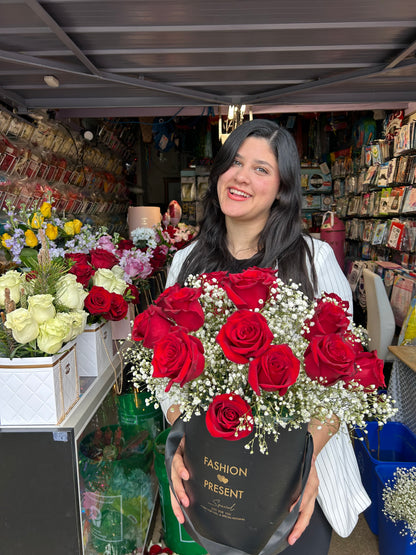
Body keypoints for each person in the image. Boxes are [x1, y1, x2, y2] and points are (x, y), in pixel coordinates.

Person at [159, 119, 370, 554]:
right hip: (216, 479)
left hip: (296, 486)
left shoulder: (313, 260)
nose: (240, 177)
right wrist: (182, 437)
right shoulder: (185, 263)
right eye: (234, 163)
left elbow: (344, 375)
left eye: (261, 169)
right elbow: (166, 371)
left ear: (283, 188)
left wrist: (303, 460)